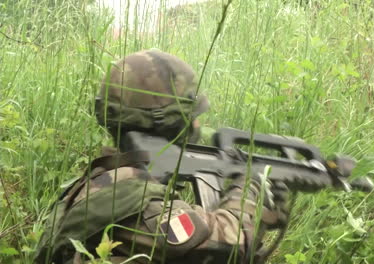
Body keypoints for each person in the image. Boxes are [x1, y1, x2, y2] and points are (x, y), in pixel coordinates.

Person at [34, 50, 289, 264]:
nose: (198, 123)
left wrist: (263, 213)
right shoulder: (139, 203)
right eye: (192, 115)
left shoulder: (99, 183)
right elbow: (232, 243)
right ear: (174, 123)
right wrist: (249, 185)